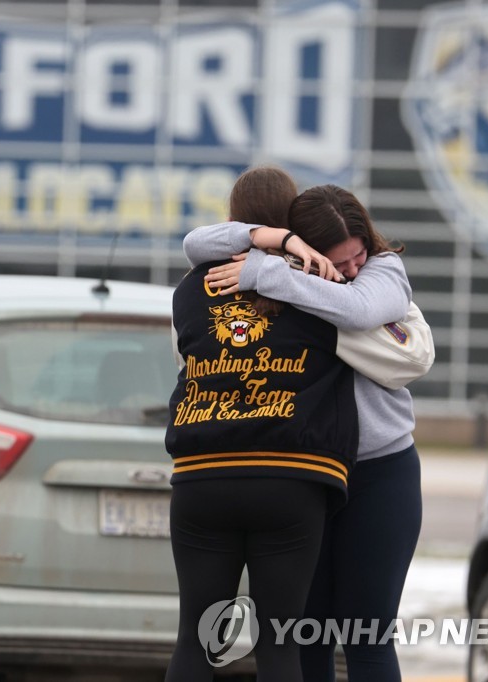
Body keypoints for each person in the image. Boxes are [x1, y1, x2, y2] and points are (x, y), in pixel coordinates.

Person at [184, 179, 429, 681]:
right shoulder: (294, 270)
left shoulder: (382, 271)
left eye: (357, 254)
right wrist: (276, 244)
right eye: (340, 262)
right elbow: (194, 244)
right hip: (307, 474)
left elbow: (360, 307)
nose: (351, 270)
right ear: (309, 247)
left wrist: (268, 272)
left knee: (367, 634)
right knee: (305, 634)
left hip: (379, 473)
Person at [165, 166, 359, 682]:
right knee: (280, 646)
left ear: (232, 218)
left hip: (202, 473)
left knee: (196, 640)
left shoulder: (191, 287)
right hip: (291, 475)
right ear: (291, 219)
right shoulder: (316, 281)